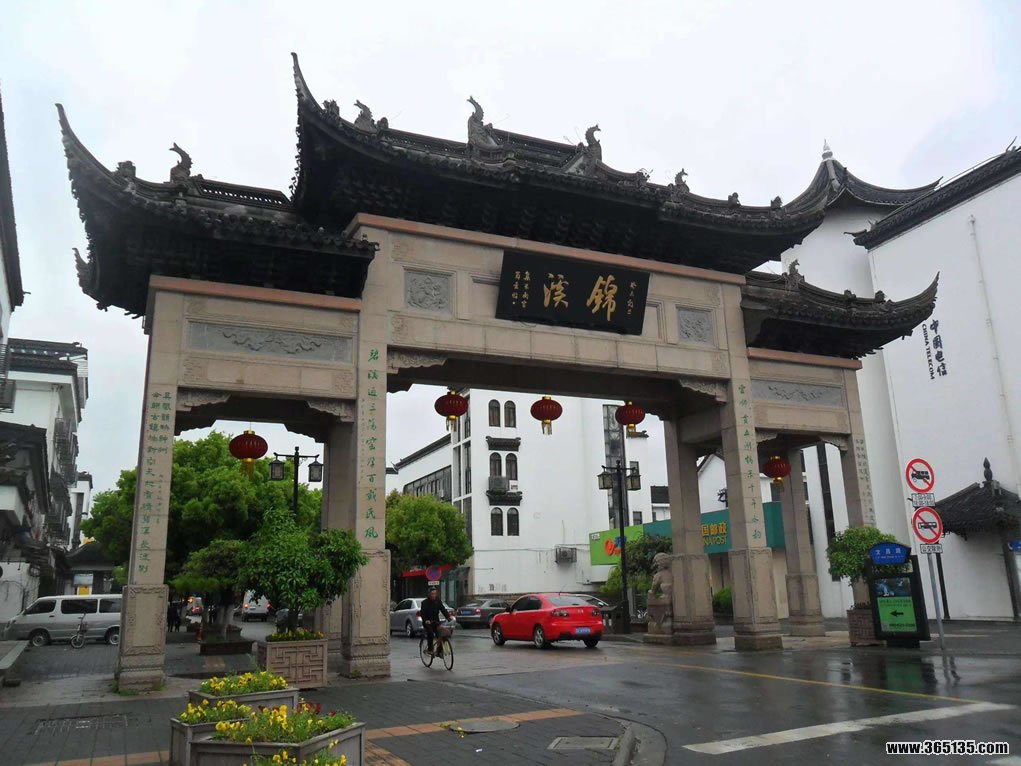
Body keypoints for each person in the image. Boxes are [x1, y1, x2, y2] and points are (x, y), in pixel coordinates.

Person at [420, 588, 451, 656]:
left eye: (435, 594)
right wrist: (426, 620)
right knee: (430, 633)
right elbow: (422, 613)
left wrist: (448, 617)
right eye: (432, 594)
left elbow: (443, 609)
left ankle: (439, 651)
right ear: (429, 594)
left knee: (441, 634)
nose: (433, 595)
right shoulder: (424, 603)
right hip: (428, 623)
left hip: (436, 621)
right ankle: (430, 649)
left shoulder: (438, 601)